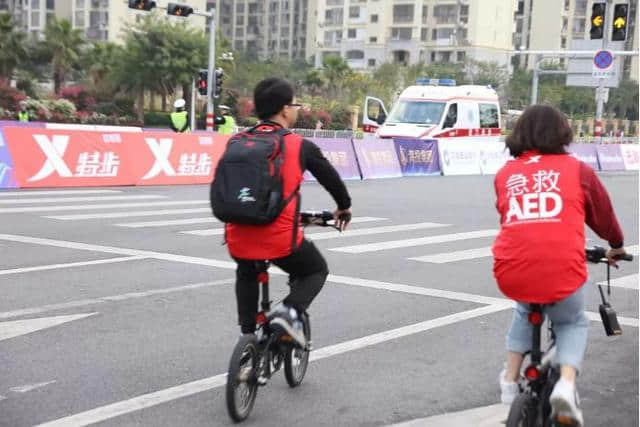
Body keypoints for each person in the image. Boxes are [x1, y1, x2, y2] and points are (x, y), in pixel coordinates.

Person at [492, 105, 627, 426]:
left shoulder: (505, 174)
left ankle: (509, 381)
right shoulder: (577, 170)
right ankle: (566, 385)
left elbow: (512, 217)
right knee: (571, 323)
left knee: (525, 310)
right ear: (562, 133)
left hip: (512, 266)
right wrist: (616, 247)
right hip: (562, 265)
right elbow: (603, 217)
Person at [225, 77, 352, 347]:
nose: (296, 110)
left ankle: (247, 335)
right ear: (284, 109)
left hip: (237, 234)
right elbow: (332, 181)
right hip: (279, 239)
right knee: (316, 270)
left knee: (246, 268)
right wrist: (344, 207)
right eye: (295, 105)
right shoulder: (299, 146)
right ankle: (289, 311)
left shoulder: (236, 141)